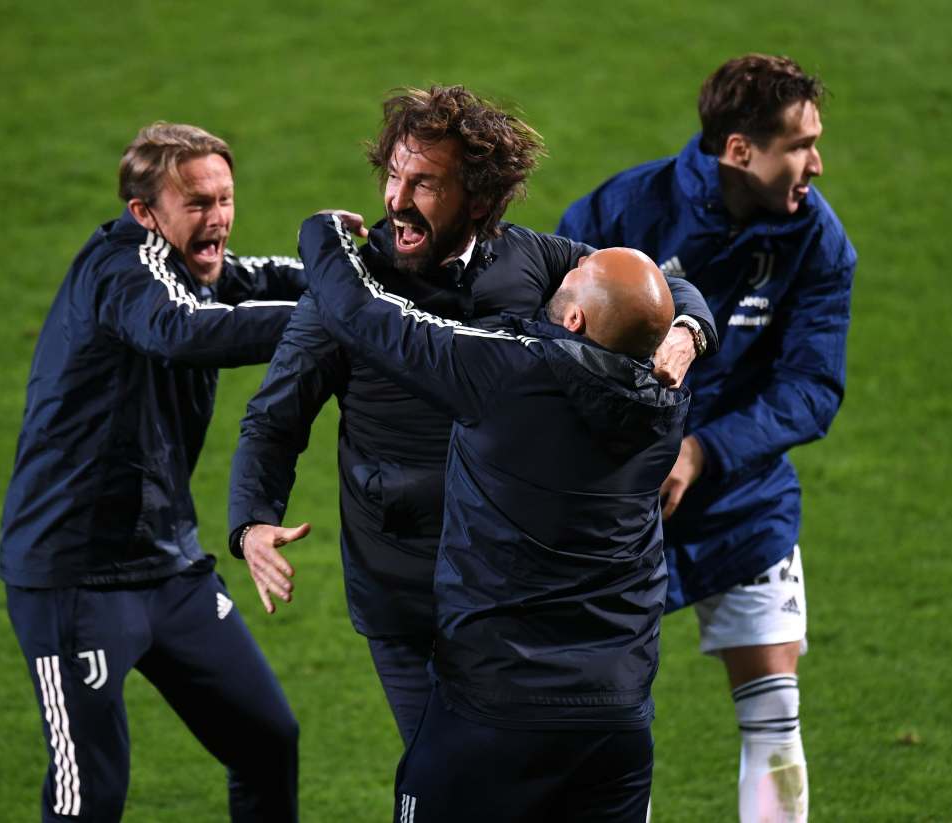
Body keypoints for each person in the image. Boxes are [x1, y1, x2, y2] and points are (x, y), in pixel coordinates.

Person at [227, 85, 718, 746]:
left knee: (524, 777)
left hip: (512, 594)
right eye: (393, 176)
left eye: (425, 183)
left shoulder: (529, 259)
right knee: (442, 775)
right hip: (409, 595)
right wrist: (252, 521)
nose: (396, 200)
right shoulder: (344, 290)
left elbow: (646, 283)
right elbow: (274, 418)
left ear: (480, 200)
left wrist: (688, 328)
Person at [299, 210, 698, 822]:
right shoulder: (665, 403)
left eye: (578, 274)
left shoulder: (508, 374)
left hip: (496, 708)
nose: (571, 266)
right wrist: (692, 328)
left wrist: (321, 234)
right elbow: (664, 299)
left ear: (574, 319)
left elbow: (367, 317)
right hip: (616, 717)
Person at [558, 54, 857, 822]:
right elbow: (551, 336)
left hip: (742, 499)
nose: (816, 165)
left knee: (774, 717)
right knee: (608, 726)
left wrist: (702, 450)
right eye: (800, 146)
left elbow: (811, 388)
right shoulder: (624, 211)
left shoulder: (819, 243)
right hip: (622, 506)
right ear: (739, 151)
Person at [0, 122, 315, 822]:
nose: (219, 217)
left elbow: (259, 279)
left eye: (225, 198)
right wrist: (327, 323)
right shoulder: (121, 270)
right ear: (144, 212)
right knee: (90, 796)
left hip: (168, 569)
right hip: (74, 578)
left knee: (267, 741)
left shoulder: (192, 266)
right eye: (198, 202)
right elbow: (181, 331)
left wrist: (363, 271)